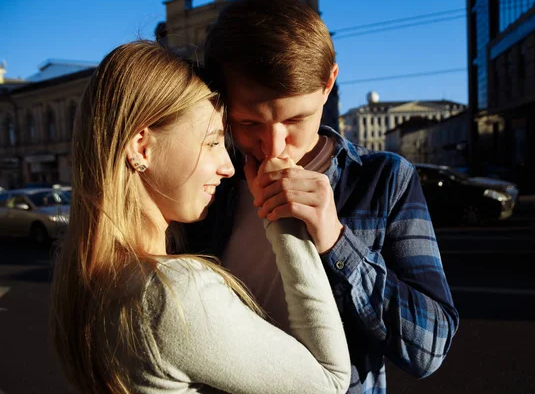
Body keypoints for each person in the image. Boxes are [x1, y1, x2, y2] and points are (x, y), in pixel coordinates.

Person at [187, 0, 460, 393]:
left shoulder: (384, 180)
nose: (273, 146)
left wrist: (335, 240)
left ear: (328, 83)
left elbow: (430, 349)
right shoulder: (211, 179)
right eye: (247, 122)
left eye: (295, 118)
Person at [50, 40, 351, 394]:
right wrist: (281, 216)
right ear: (141, 146)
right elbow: (330, 382)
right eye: (211, 142)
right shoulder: (173, 293)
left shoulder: (90, 273)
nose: (227, 166)